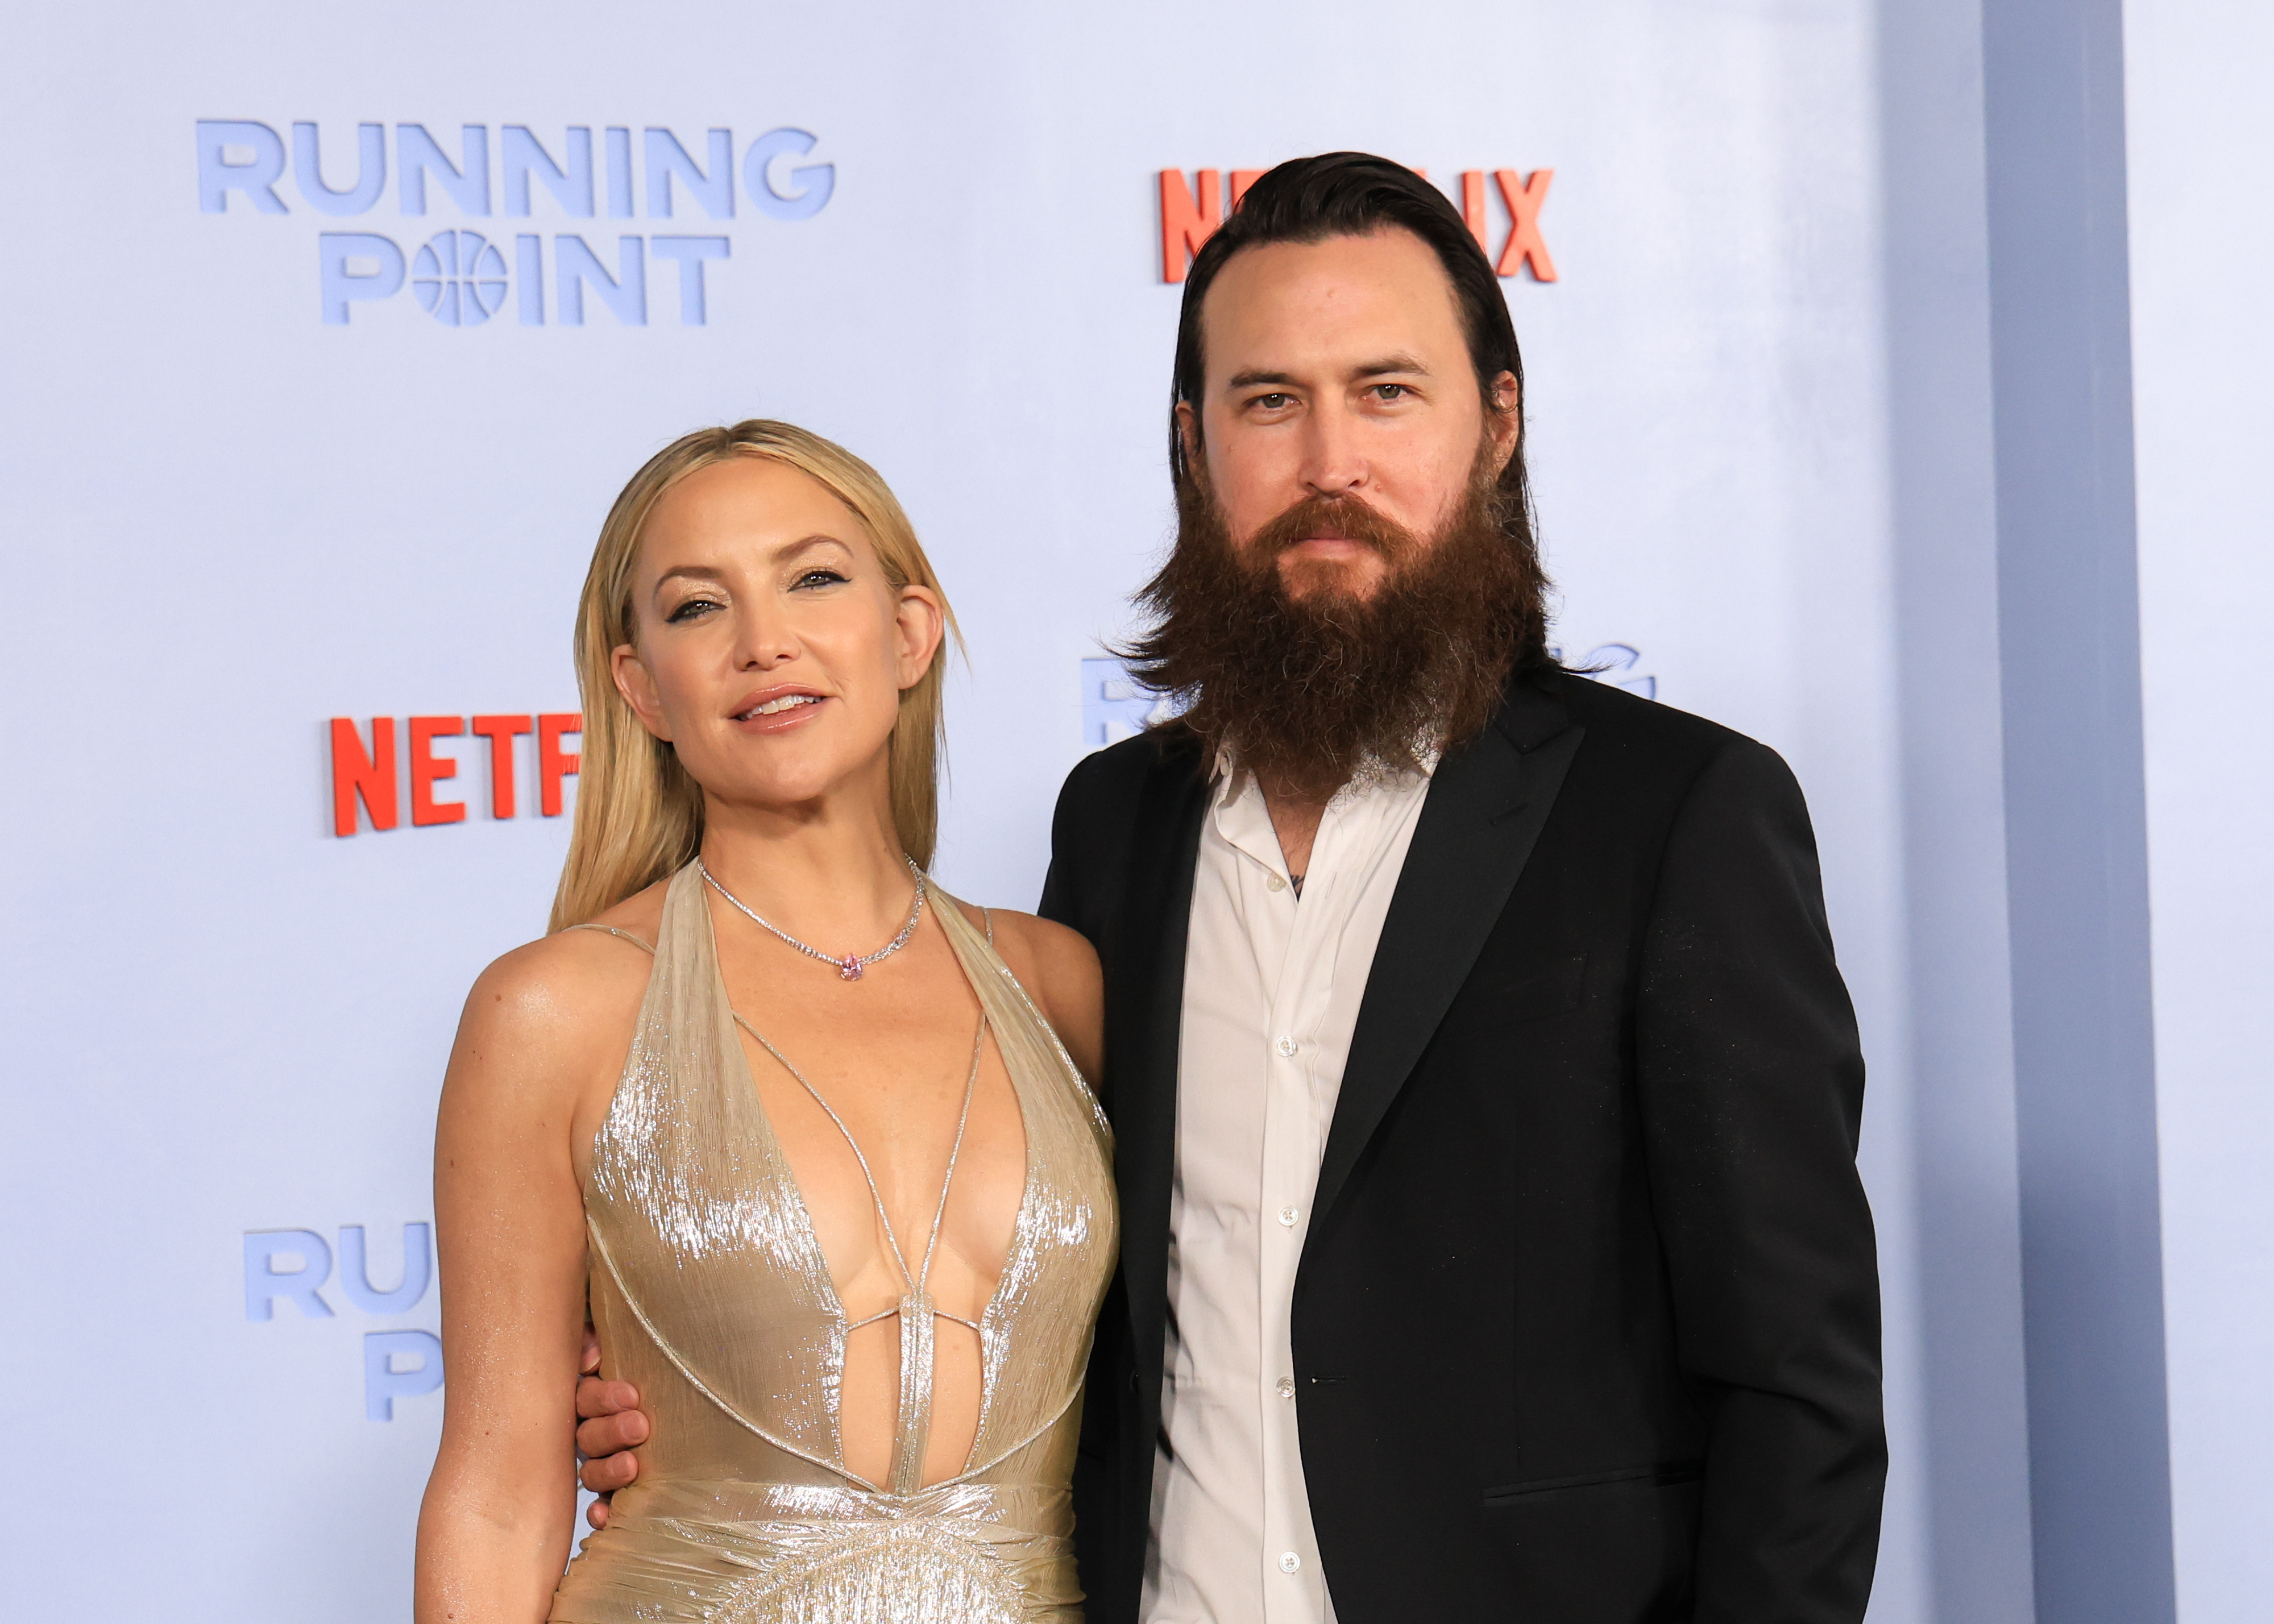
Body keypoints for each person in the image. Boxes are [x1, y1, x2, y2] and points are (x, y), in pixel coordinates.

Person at [582, 153, 1887, 1622]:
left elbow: (1798, 1391)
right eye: (1271, 401)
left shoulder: (1677, 815)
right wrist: (696, 1396)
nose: (1330, 459)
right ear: (1196, 446)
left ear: (1498, 426)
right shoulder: (1117, 827)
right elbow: (1014, 1263)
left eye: (1386, 391)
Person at [412, 421, 1115, 1624]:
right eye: (696, 607)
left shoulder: (1061, 984)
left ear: (907, 634)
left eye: (813, 578)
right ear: (640, 686)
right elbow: (495, 1496)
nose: (761, 642)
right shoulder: (553, 1010)